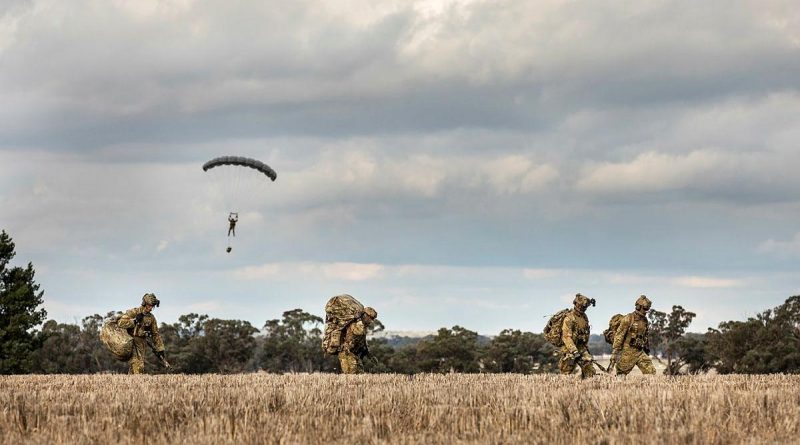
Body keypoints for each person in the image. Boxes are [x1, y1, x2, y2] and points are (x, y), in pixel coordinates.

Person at [117, 293, 169, 374]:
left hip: (141, 343)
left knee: (138, 365)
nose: (151, 308)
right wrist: (134, 321)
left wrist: (160, 349)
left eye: (152, 306)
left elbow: (155, 334)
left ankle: (131, 383)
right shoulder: (134, 312)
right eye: (149, 305)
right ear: (144, 303)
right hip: (130, 340)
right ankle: (137, 381)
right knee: (137, 365)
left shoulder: (151, 318)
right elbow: (120, 323)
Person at [611, 295, 656, 375]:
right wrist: (615, 352)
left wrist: (646, 349)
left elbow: (645, 336)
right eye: (645, 308)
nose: (646, 311)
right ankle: (616, 386)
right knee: (621, 375)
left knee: (651, 372)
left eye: (647, 309)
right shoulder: (628, 318)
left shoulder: (645, 321)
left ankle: (646, 387)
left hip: (639, 351)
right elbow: (619, 335)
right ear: (638, 307)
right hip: (627, 352)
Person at [560, 294, 596, 379]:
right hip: (569, 348)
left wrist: (584, 345)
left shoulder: (584, 317)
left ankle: (586, 384)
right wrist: (574, 351)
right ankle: (562, 386)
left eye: (584, 307)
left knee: (589, 367)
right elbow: (566, 337)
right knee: (566, 370)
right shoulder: (569, 318)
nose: (582, 308)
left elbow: (586, 332)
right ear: (576, 304)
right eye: (581, 306)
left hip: (581, 347)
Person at [338, 307, 378, 374]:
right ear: (365, 315)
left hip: (354, 353)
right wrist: (358, 319)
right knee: (351, 374)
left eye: (373, 319)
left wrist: (369, 355)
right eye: (371, 318)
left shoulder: (363, 326)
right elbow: (358, 332)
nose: (371, 321)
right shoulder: (355, 324)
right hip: (346, 352)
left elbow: (363, 341)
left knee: (360, 374)